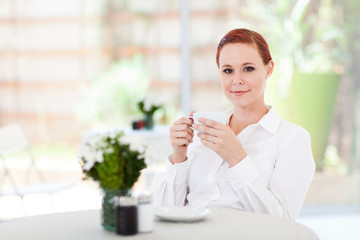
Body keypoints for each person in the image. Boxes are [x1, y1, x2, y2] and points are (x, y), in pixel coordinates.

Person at [152, 28, 315, 220]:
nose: (236, 80)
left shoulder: (292, 139)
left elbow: (282, 224)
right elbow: (165, 212)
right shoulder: (202, 130)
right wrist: (179, 157)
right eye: (228, 70)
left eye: (248, 69)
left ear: (268, 69)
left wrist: (236, 158)